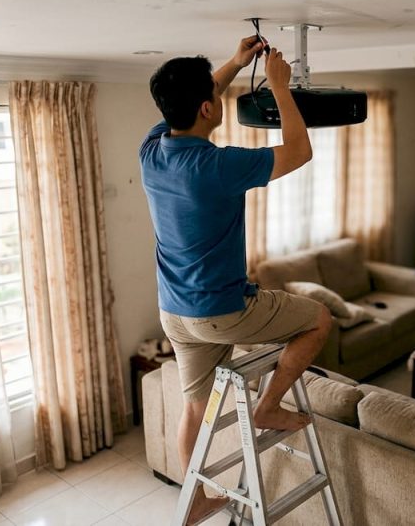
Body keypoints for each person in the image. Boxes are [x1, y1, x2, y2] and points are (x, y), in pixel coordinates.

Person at [140, 36, 332, 524]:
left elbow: (194, 103)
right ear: (208, 108)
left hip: (174, 314)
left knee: (194, 409)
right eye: (214, 95)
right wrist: (279, 85)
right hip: (221, 312)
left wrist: (234, 64)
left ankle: (195, 500)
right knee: (318, 319)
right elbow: (300, 150)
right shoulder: (217, 165)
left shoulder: (152, 150)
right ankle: (269, 406)